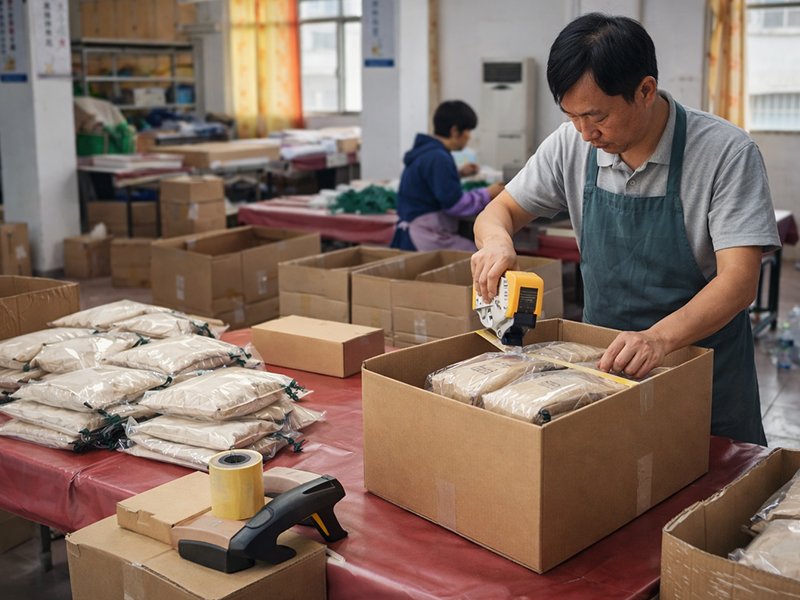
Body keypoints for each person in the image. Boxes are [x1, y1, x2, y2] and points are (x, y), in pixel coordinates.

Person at [470, 13, 780, 445]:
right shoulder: (569, 144)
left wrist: (658, 339)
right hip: (603, 368)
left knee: (715, 492)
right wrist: (498, 243)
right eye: (572, 116)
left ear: (645, 91)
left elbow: (739, 280)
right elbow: (497, 211)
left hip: (702, 370)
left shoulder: (725, 153)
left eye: (596, 116)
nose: (584, 133)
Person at [391, 100, 505, 251]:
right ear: (455, 131)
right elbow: (455, 205)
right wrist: (487, 194)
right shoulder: (439, 157)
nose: (469, 137)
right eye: (468, 131)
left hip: (410, 232)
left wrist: (458, 173)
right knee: (477, 255)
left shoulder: (426, 151)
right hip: (423, 235)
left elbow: (428, 181)